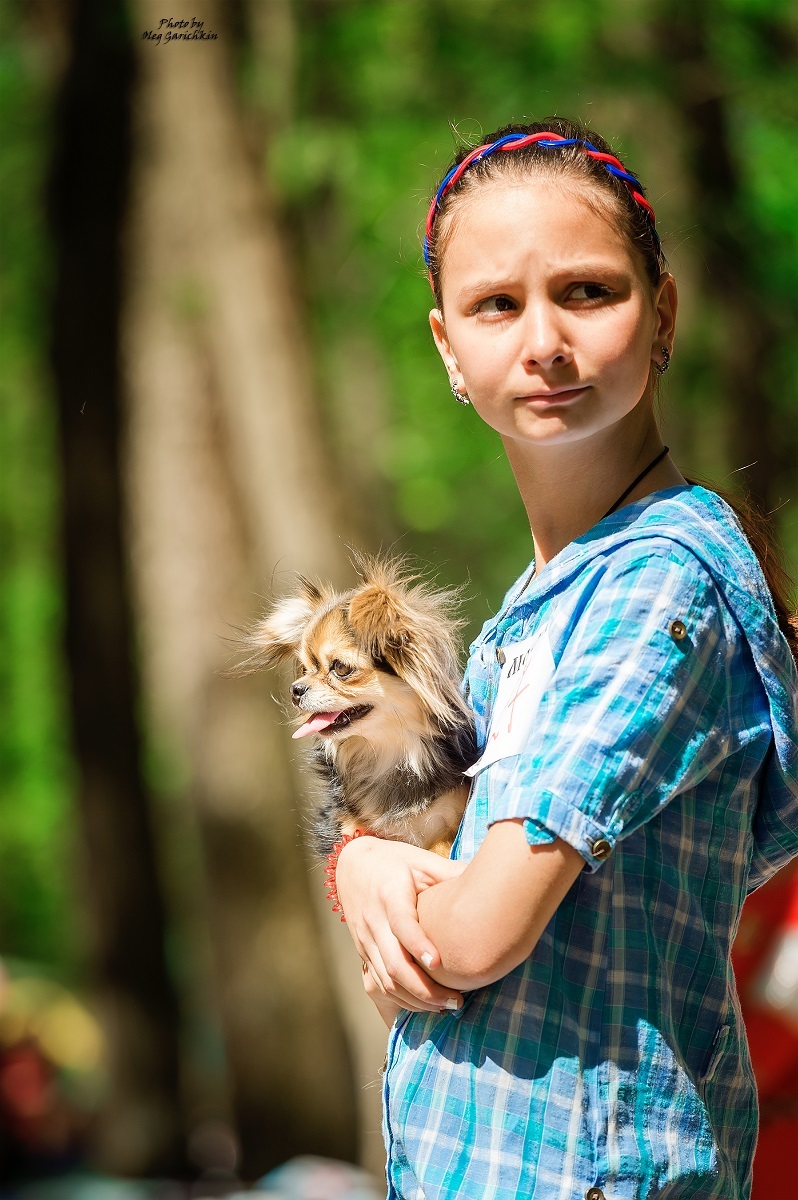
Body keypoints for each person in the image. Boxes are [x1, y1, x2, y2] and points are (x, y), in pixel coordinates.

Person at [332, 118, 798, 1200]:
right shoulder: (541, 608)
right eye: (498, 304)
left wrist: (373, 878)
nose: (544, 339)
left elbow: (477, 934)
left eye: (588, 292)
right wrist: (360, 867)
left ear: (663, 313)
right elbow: (426, 935)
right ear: (449, 346)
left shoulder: (660, 586)